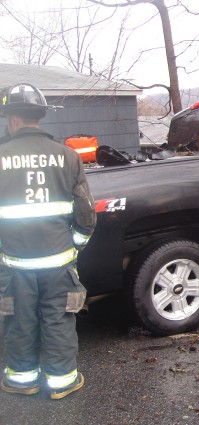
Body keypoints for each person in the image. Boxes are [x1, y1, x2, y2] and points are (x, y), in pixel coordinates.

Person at [0, 83, 96, 399]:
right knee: (59, 320)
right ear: (39, 117)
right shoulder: (68, 157)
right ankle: (62, 382)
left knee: (18, 320)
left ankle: (22, 379)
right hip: (59, 264)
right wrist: (76, 244)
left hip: (14, 266)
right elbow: (86, 215)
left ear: (12, 119)